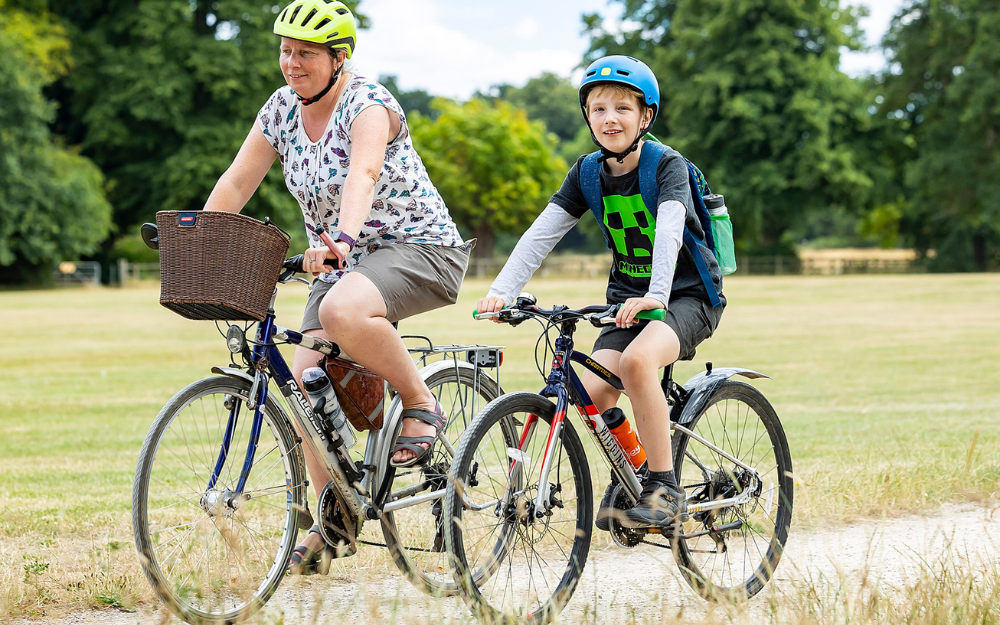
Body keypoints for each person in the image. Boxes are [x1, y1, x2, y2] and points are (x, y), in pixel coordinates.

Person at [203, 0, 470, 572]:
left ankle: (422, 403)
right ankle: (333, 518)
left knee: (347, 310)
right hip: (342, 262)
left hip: (418, 249)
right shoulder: (279, 111)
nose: (291, 63)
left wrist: (343, 239)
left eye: (304, 53)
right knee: (301, 389)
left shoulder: (369, 105)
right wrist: (205, 239)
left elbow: (363, 173)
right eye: (285, 51)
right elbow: (237, 179)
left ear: (338, 57)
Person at [476, 56, 725, 529]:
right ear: (587, 117)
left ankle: (663, 485)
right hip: (625, 301)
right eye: (598, 109)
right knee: (592, 395)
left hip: (687, 296)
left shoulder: (665, 165)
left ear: (645, 116)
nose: (609, 118)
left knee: (636, 363)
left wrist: (656, 294)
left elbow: (670, 230)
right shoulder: (588, 172)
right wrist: (502, 291)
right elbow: (541, 234)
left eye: (622, 109)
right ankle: (633, 470)